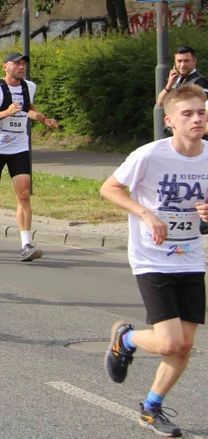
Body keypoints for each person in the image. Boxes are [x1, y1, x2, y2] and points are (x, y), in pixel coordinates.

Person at [101, 83, 208, 438]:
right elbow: (110, 188)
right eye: (188, 114)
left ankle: (151, 407)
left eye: (201, 112)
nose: (196, 119)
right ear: (170, 121)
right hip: (152, 258)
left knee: (186, 344)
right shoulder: (149, 155)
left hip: (190, 256)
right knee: (167, 342)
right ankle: (126, 339)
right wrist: (146, 214)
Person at [0, 51, 59, 261]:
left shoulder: (29, 86)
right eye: (16, 63)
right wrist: (5, 113)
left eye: (23, 64)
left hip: (19, 147)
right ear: (5, 67)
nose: (21, 67)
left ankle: (26, 244)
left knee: (23, 195)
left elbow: (28, 108)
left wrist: (43, 118)